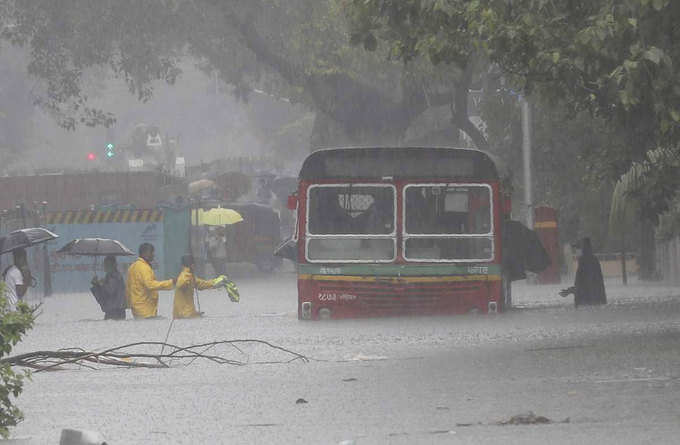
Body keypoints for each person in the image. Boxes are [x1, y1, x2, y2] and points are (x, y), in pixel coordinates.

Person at [126, 243, 174, 319]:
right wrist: (171, 282)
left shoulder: (132, 266)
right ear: (145, 253)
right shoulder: (143, 267)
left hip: (136, 309)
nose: (153, 255)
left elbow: (128, 288)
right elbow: (150, 285)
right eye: (151, 252)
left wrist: (130, 304)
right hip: (146, 310)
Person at [173, 254, 226, 319]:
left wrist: (215, 283)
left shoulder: (190, 276)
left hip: (186, 313)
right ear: (192, 265)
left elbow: (201, 284)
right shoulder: (185, 276)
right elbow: (180, 284)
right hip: (184, 314)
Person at [560, 237, 606, 307]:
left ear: (583, 248)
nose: (577, 251)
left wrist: (569, 291)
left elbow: (582, 283)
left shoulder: (583, 260)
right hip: (596, 300)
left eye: (578, 248)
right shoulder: (594, 259)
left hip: (586, 301)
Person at [90, 255, 126, 320]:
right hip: (112, 310)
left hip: (115, 311)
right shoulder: (110, 276)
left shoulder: (115, 277)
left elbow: (109, 291)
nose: (105, 267)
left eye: (107, 264)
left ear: (114, 265)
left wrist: (99, 284)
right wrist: (97, 285)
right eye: (105, 264)